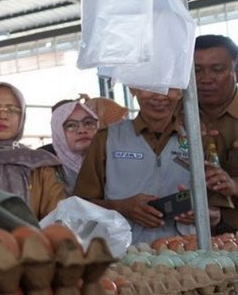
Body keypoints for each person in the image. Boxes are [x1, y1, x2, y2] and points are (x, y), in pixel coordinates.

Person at [74, 86, 218, 245]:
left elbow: (217, 214)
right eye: (150, 86)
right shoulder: (108, 139)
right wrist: (121, 207)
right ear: (133, 89)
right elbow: (80, 205)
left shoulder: (198, 140)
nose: (160, 95)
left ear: (181, 91)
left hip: (185, 254)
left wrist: (201, 213)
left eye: (170, 87)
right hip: (124, 253)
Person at [0, 82, 66, 219]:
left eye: (12, 110)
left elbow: (56, 219)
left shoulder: (41, 165)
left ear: (22, 116)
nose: (2, 115)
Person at [194, 34, 238, 232]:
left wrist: (234, 185)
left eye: (217, 70)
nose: (206, 79)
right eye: (196, 70)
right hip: (187, 239)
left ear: (237, 74)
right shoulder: (174, 118)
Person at [48, 99, 100, 195]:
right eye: (71, 125)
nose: (82, 130)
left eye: (88, 123)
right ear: (58, 133)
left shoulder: (112, 165)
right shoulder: (48, 174)